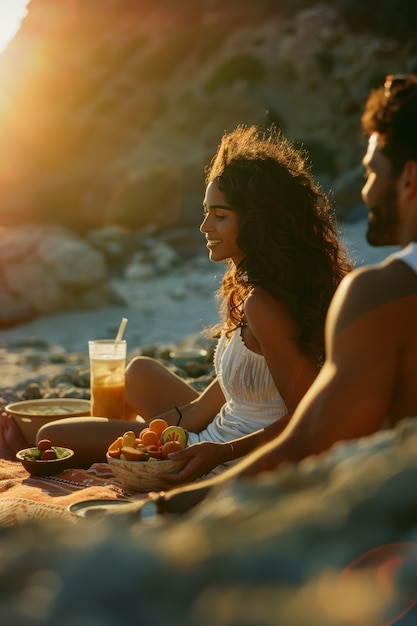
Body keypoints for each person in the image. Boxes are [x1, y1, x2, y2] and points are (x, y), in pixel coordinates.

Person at [132, 72, 417, 515]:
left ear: (409, 179)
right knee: (137, 377)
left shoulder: (383, 292)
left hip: (380, 516)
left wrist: (161, 508)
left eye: (371, 170)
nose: (366, 190)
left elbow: (314, 435)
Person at [35, 124, 351, 471]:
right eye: (205, 212)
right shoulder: (255, 286)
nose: (204, 226)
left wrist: (221, 452)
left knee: (51, 435)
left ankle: (119, 468)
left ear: (259, 222)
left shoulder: (262, 304)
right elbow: (204, 407)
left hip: (227, 451)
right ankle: (129, 463)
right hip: (217, 426)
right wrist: (151, 439)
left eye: (220, 215)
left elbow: (312, 415)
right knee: (137, 371)